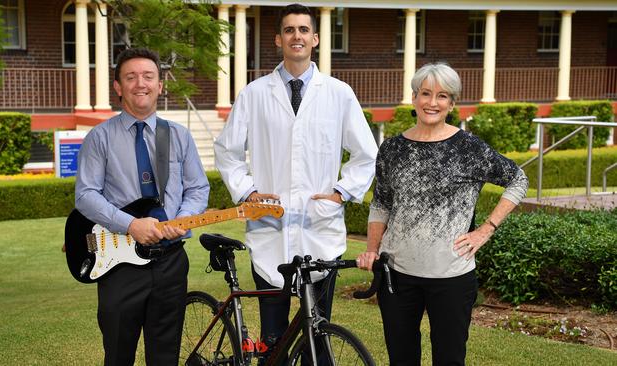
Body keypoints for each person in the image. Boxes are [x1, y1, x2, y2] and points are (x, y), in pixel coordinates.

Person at [214, 3, 378, 360]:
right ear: (278, 39)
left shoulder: (338, 93)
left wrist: (340, 192)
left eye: (304, 30)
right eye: (289, 30)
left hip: (320, 234)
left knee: (316, 338)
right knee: (274, 341)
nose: (297, 36)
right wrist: (249, 192)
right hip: (269, 233)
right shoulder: (255, 94)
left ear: (315, 38)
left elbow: (367, 153)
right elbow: (227, 151)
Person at [356, 62, 529, 366]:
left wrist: (486, 229)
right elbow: (381, 203)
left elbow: (519, 179)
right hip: (396, 275)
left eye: (442, 96)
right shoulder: (392, 148)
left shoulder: (468, 148)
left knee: (449, 360)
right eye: (425, 93)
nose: (432, 103)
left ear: (452, 104)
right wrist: (372, 250)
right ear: (414, 98)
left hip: (451, 276)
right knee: (401, 359)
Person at [75, 48, 209, 365]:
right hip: (119, 266)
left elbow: (198, 186)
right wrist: (131, 224)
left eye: (148, 76)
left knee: (165, 357)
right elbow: (85, 195)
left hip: (171, 262)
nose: (141, 84)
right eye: (131, 77)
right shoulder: (99, 138)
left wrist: (185, 218)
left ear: (160, 85)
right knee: (119, 355)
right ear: (118, 87)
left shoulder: (179, 136)